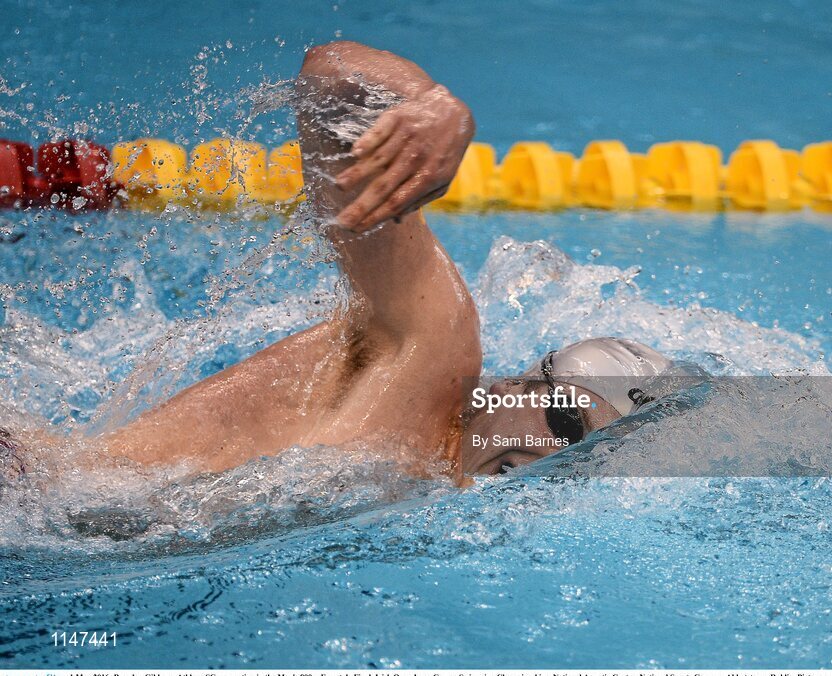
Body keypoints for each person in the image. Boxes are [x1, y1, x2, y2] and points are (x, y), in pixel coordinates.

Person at [0, 41, 680, 485]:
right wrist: (432, 105)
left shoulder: (435, 479)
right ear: (515, 387)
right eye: (567, 425)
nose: (562, 467)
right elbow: (328, 80)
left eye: (590, 464)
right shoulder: (432, 352)